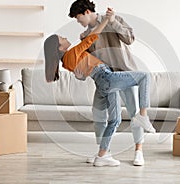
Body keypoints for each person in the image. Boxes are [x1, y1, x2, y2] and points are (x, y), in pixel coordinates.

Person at [44, 11, 156, 167]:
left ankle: (103, 155)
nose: (66, 38)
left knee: (115, 119)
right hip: (105, 77)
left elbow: (84, 68)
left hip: (104, 79)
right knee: (145, 77)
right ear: (60, 47)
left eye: (77, 18)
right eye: (62, 39)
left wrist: (110, 21)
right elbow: (91, 38)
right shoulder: (71, 53)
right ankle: (142, 116)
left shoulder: (67, 60)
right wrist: (106, 21)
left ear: (86, 12)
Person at [69, 0, 147, 166]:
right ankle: (103, 152)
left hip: (125, 74)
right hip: (104, 80)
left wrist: (113, 22)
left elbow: (130, 38)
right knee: (98, 115)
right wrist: (79, 74)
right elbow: (85, 62)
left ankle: (138, 150)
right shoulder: (85, 36)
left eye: (77, 17)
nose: (77, 21)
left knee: (135, 115)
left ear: (87, 12)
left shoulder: (112, 19)